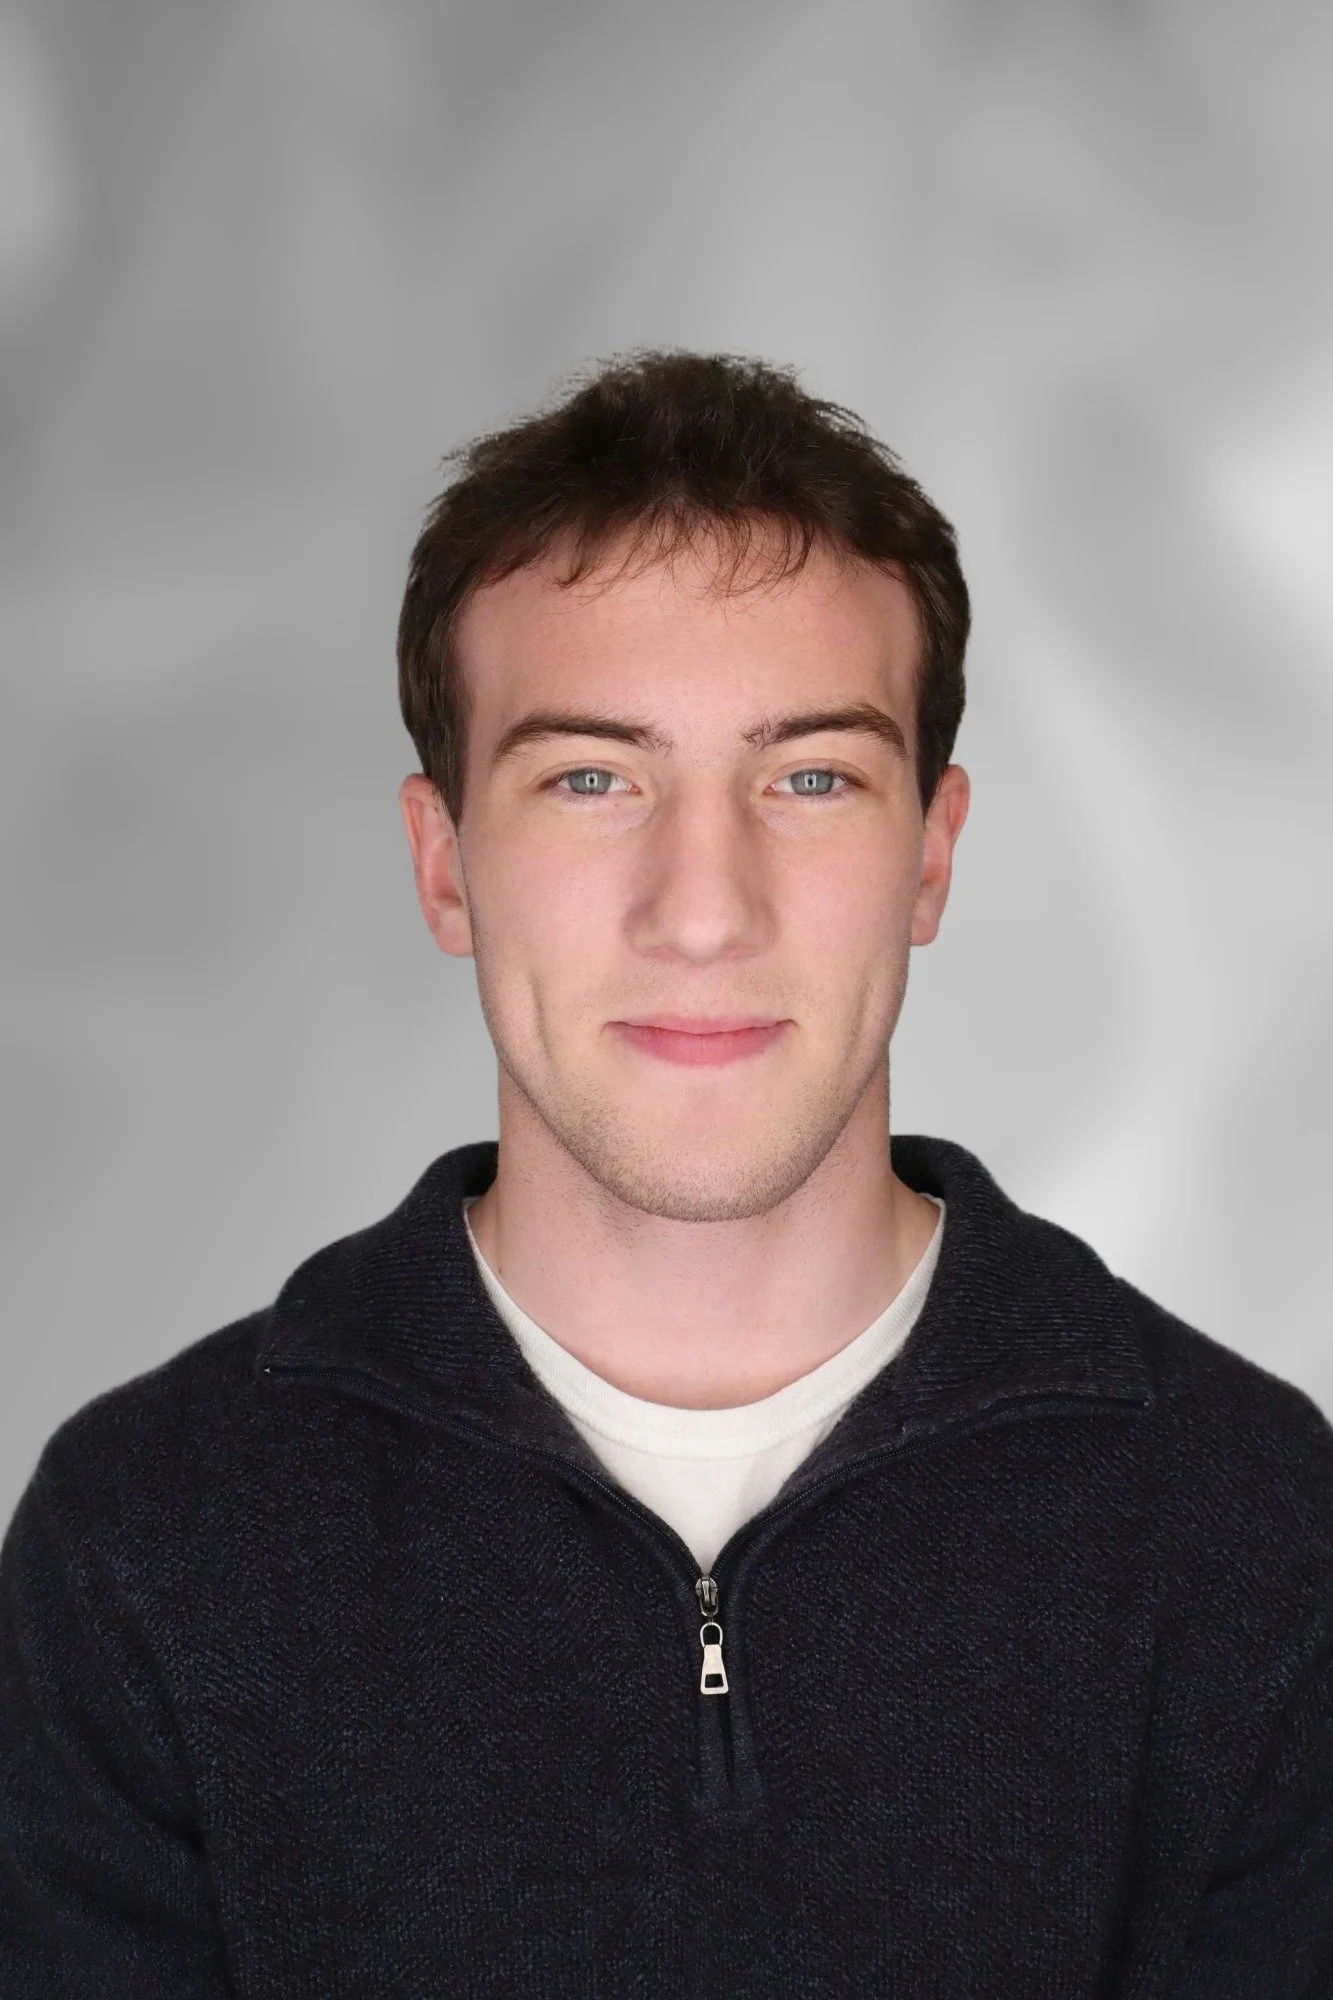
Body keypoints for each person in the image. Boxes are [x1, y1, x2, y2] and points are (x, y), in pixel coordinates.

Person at [2, 350, 1330, 1999]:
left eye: (811, 778)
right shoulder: (143, 1545)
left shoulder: (1256, 1528)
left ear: (930, 856)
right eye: (592, 779)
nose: (704, 908)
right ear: (444, 864)